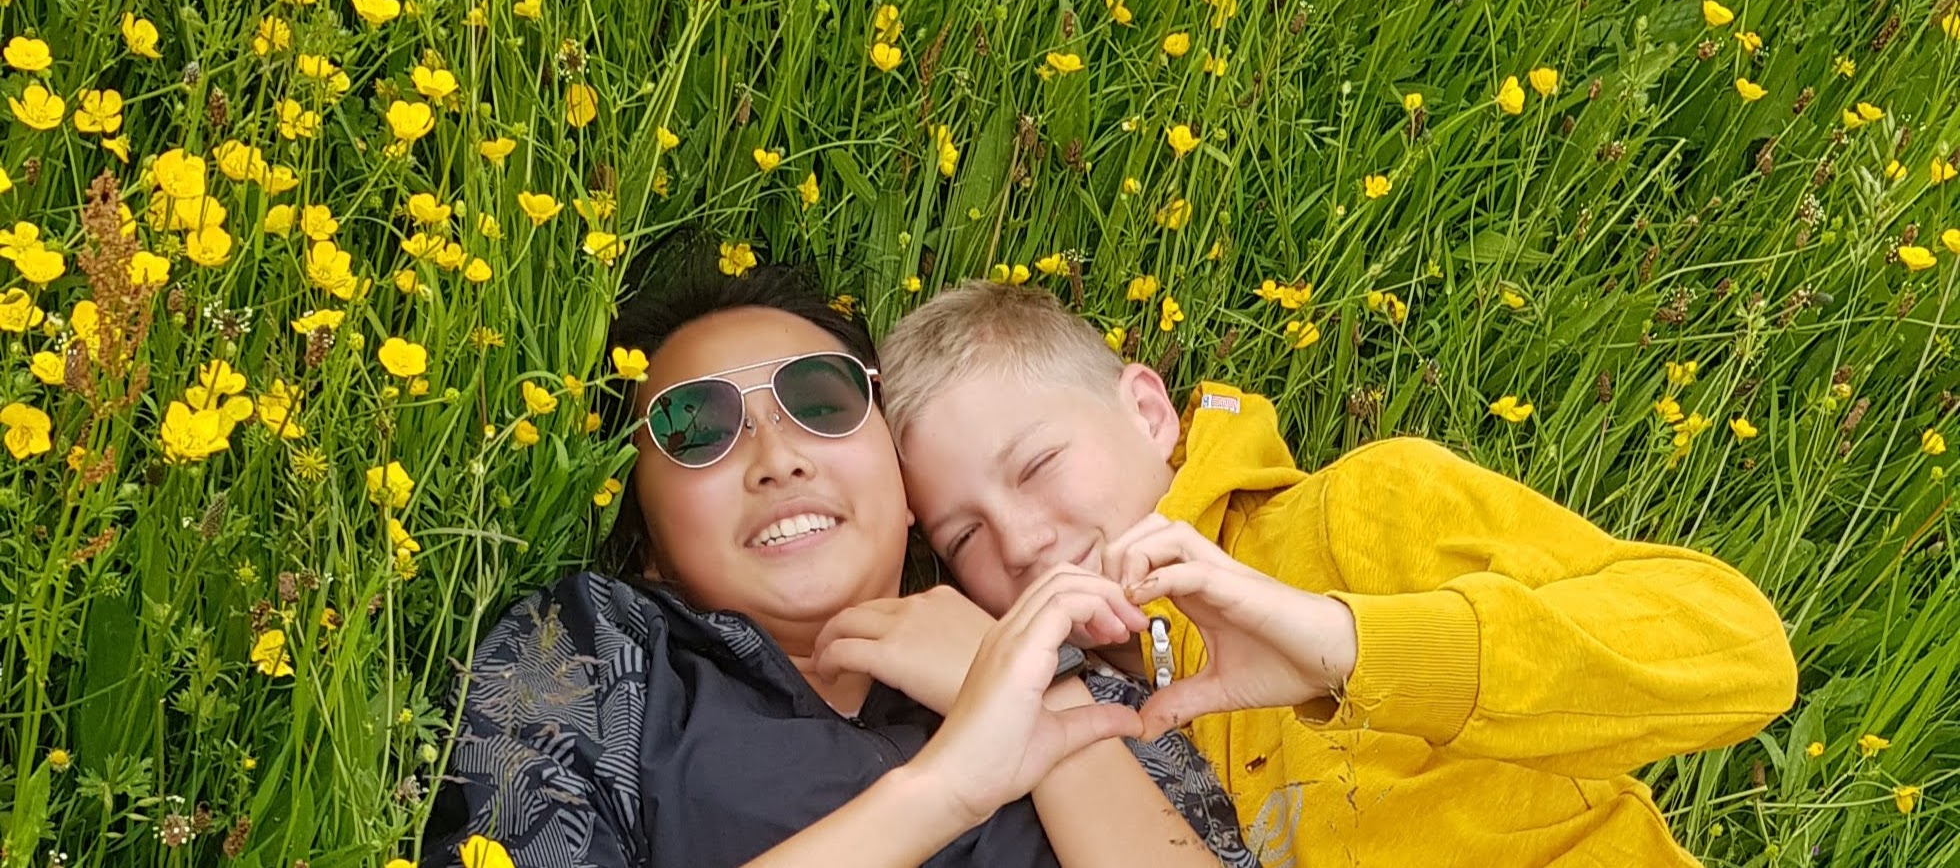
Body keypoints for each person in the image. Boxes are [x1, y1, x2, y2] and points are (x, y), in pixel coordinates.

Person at [880, 281, 1801, 868]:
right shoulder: (1059, 728)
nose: (1022, 541)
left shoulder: (1366, 508)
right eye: (964, 537)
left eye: (1038, 465)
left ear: (1149, 413)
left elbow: (1739, 650)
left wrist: (1346, 645)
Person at [420, 239, 1255, 868]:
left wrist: (1048, 706)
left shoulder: (1084, 678)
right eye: (695, 428)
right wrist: (939, 793)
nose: (778, 455)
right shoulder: (591, 652)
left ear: (903, 487)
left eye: (820, 400)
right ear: (648, 542)